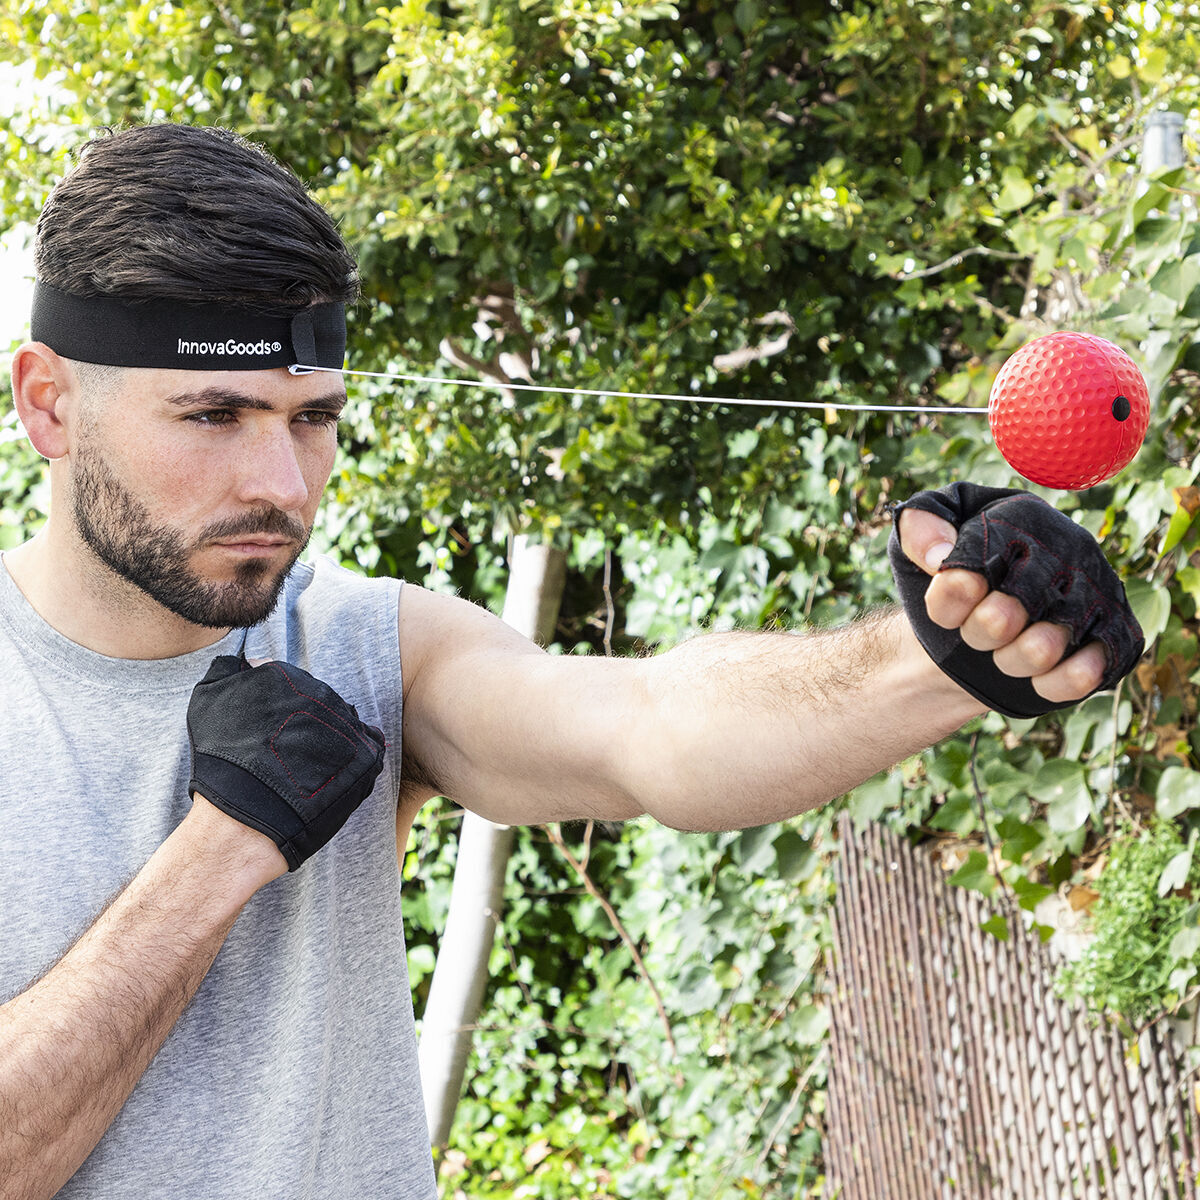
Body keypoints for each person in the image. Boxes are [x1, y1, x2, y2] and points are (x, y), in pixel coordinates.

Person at [0, 123, 1139, 1200]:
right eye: (213, 416)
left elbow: (647, 730)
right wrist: (221, 852)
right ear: (49, 404)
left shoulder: (359, 644)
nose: (286, 488)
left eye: (314, 419)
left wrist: (934, 655)